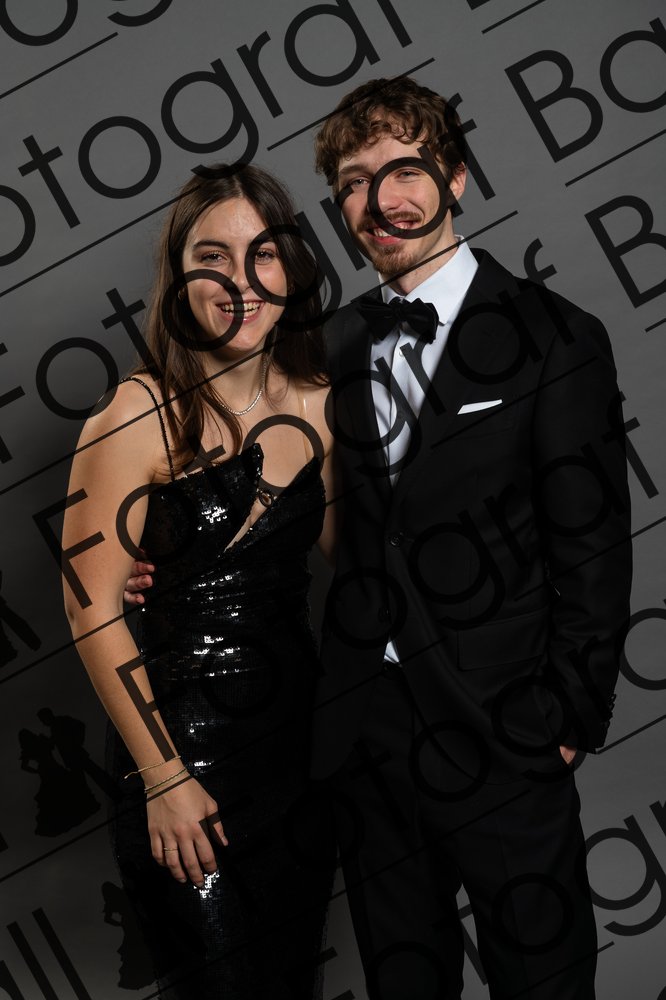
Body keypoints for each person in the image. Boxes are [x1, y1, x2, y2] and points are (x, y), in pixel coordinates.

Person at [126, 77, 632, 999]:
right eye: (354, 182)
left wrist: (565, 719)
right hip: (367, 735)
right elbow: (277, 496)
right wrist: (168, 563)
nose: (380, 200)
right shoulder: (328, 348)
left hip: (505, 728)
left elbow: (593, 547)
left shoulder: (556, 338)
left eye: (404, 169)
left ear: (457, 177)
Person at [63, 163, 336, 1000]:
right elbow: (91, 613)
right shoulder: (134, 412)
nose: (240, 281)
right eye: (212, 257)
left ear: (292, 269)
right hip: (183, 753)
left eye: (263, 254)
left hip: (298, 756)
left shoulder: (325, 405)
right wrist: (165, 778)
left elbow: (370, 573)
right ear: (179, 278)